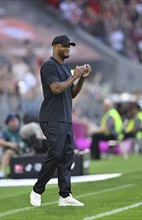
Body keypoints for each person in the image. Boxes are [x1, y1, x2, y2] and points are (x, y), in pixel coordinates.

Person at [30, 35, 91, 207]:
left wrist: (82, 78)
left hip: (64, 116)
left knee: (67, 156)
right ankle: (37, 190)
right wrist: (74, 76)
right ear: (55, 47)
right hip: (51, 116)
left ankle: (65, 195)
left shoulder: (65, 67)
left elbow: (71, 93)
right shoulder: (49, 65)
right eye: (64, 46)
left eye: (69, 46)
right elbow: (56, 89)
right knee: (56, 153)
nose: (67, 49)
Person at [0, 113, 28, 179]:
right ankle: (2, 171)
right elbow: (0, 142)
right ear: (8, 123)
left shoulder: (23, 130)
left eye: (16, 120)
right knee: (8, 152)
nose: (15, 122)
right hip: (15, 153)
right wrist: (10, 144)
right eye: (12, 121)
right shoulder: (6, 132)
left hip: (26, 151)